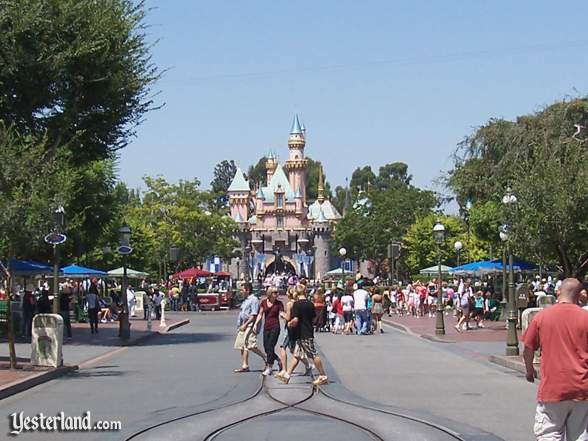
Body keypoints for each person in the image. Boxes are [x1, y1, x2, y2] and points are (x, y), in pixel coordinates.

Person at [522, 278, 588, 441]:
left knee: (549, 434)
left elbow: (528, 348)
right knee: (581, 435)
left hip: (553, 387)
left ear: (558, 293)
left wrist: (530, 370)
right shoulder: (586, 317)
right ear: (580, 295)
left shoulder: (542, 317)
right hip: (582, 387)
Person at [278, 284, 329, 386]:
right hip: (307, 331)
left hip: (303, 333)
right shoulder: (310, 304)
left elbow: (295, 320)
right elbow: (313, 318)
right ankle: (287, 376)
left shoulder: (297, 304)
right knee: (297, 355)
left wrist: (289, 322)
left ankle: (323, 375)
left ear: (296, 292)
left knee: (313, 354)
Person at [233, 282, 265, 372]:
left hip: (249, 325)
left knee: (250, 345)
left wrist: (245, 324)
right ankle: (245, 365)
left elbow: (254, 315)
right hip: (242, 325)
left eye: (242, 290)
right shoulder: (246, 300)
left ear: (247, 290)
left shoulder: (254, 300)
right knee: (242, 345)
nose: (241, 292)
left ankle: (265, 357)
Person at [254, 287, 283, 376]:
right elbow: (260, 314)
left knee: (271, 346)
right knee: (266, 348)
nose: (277, 294)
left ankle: (269, 367)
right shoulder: (263, 302)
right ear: (270, 293)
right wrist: (256, 324)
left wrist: (287, 320)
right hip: (266, 327)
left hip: (275, 327)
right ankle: (278, 360)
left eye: (277, 292)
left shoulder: (279, 304)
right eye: (275, 292)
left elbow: (282, 313)